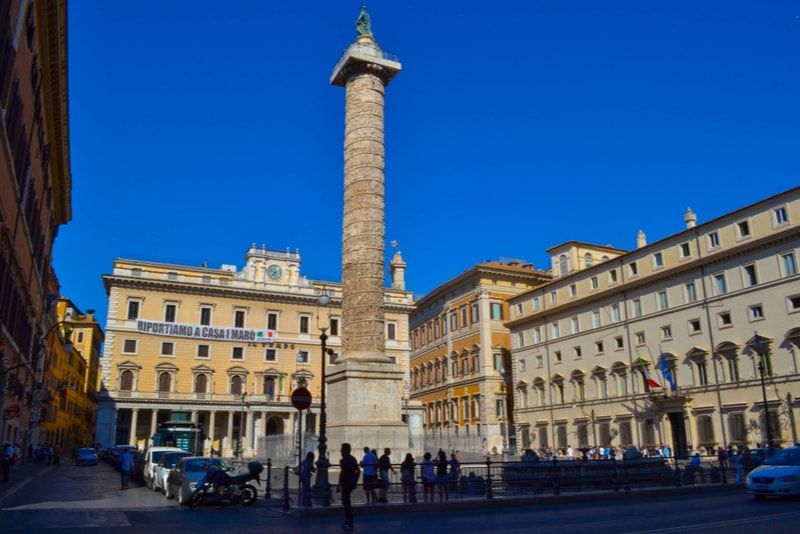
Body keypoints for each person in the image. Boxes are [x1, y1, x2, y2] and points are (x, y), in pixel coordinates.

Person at [337, 443, 360, 531]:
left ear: (345, 450)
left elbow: (342, 473)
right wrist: (355, 481)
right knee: (347, 502)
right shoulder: (353, 459)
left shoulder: (345, 460)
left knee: (346, 503)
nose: (340, 451)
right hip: (351, 483)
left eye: (342, 449)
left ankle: (349, 521)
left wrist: (338, 484)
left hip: (346, 483)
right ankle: (348, 520)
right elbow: (358, 471)